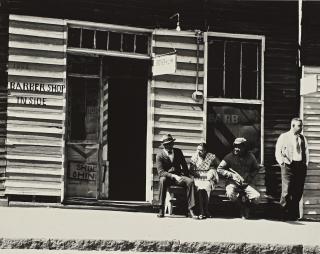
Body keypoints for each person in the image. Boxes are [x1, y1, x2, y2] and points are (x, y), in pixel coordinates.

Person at [217, 137, 261, 219]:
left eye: (239, 146)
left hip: (246, 183)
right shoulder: (229, 156)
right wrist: (231, 175)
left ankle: (247, 206)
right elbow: (219, 169)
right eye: (235, 146)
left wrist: (250, 177)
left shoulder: (251, 156)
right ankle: (241, 207)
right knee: (230, 193)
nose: (236, 148)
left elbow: (256, 168)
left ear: (244, 147)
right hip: (233, 182)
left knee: (257, 197)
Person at [156, 134, 197, 218]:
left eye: (171, 143)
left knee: (190, 182)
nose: (170, 145)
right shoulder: (159, 155)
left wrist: (185, 177)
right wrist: (174, 176)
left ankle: (191, 209)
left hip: (179, 176)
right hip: (168, 178)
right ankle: (161, 208)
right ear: (164, 145)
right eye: (167, 144)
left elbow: (184, 166)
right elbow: (161, 172)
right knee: (162, 180)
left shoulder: (178, 151)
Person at [275, 118, 309, 221]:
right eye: (299, 126)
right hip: (288, 166)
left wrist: (305, 164)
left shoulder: (303, 138)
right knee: (286, 191)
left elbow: (307, 152)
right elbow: (278, 151)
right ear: (293, 126)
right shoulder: (284, 137)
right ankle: (283, 214)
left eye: (301, 126)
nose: (301, 128)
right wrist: (282, 163)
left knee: (298, 191)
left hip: (300, 166)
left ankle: (293, 215)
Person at [189, 143, 220, 219]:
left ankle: (206, 210)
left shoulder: (211, 156)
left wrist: (213, 170)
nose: (199, 151)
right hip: (198, 176)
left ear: (205, 151)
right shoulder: (194, 157)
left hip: (208, 176)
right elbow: (191, 170)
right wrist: (196, 174)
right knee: (199, 188)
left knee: (207, 188)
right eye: (198, 149)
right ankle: (201, 211)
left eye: (201, 150)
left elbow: (220, 165)